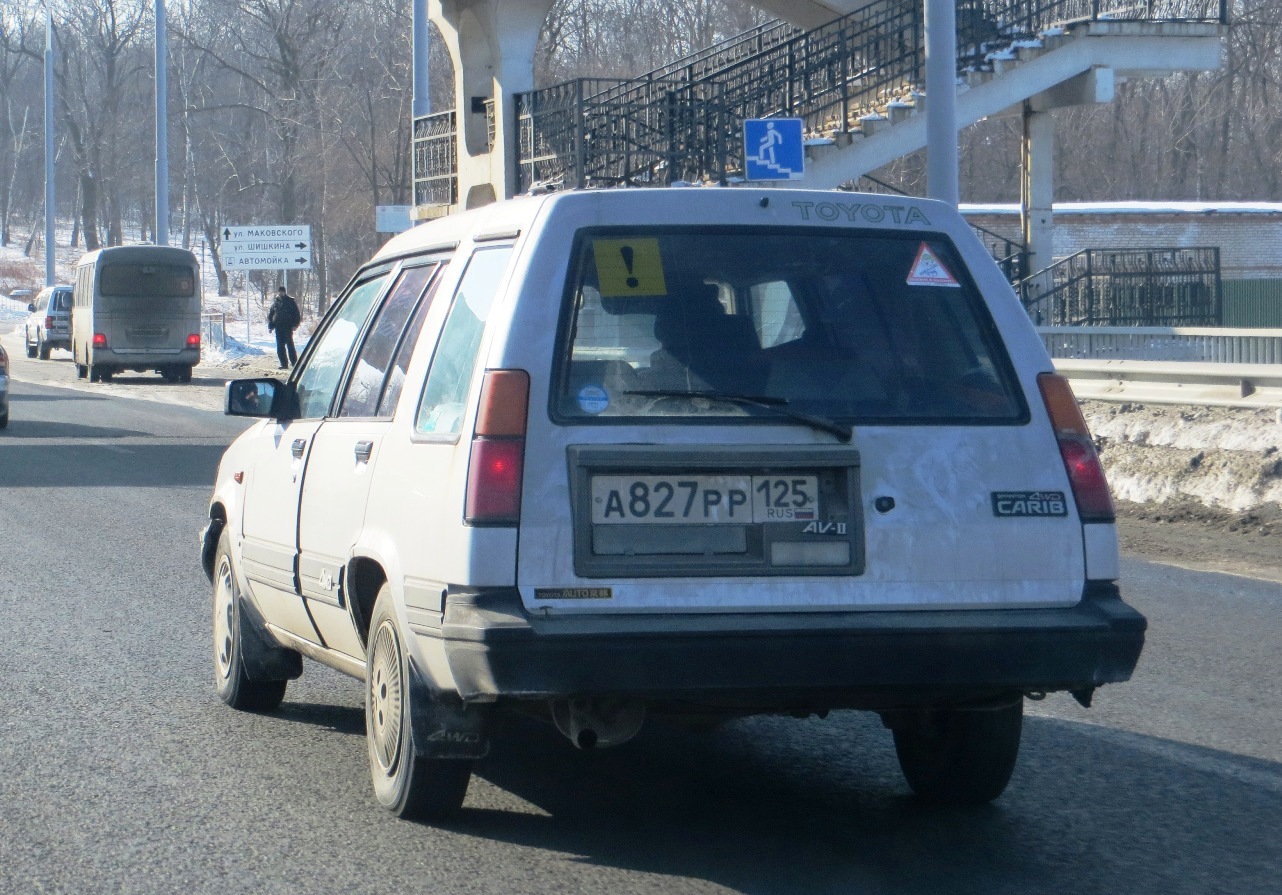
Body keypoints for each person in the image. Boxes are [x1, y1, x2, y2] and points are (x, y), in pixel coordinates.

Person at [267, 285, 301, 369]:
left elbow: (296, 314)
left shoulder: (290, 301)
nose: (281, 293)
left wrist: (295, 325)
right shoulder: (276, 302)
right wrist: (271, 326)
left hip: (287, 326)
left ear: (285, 292)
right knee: (280, 346)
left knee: (290, 345)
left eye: (282, 292)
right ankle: (284, 364)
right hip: (278, 326)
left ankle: (294, 363)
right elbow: (271, 314)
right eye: (279, 292)